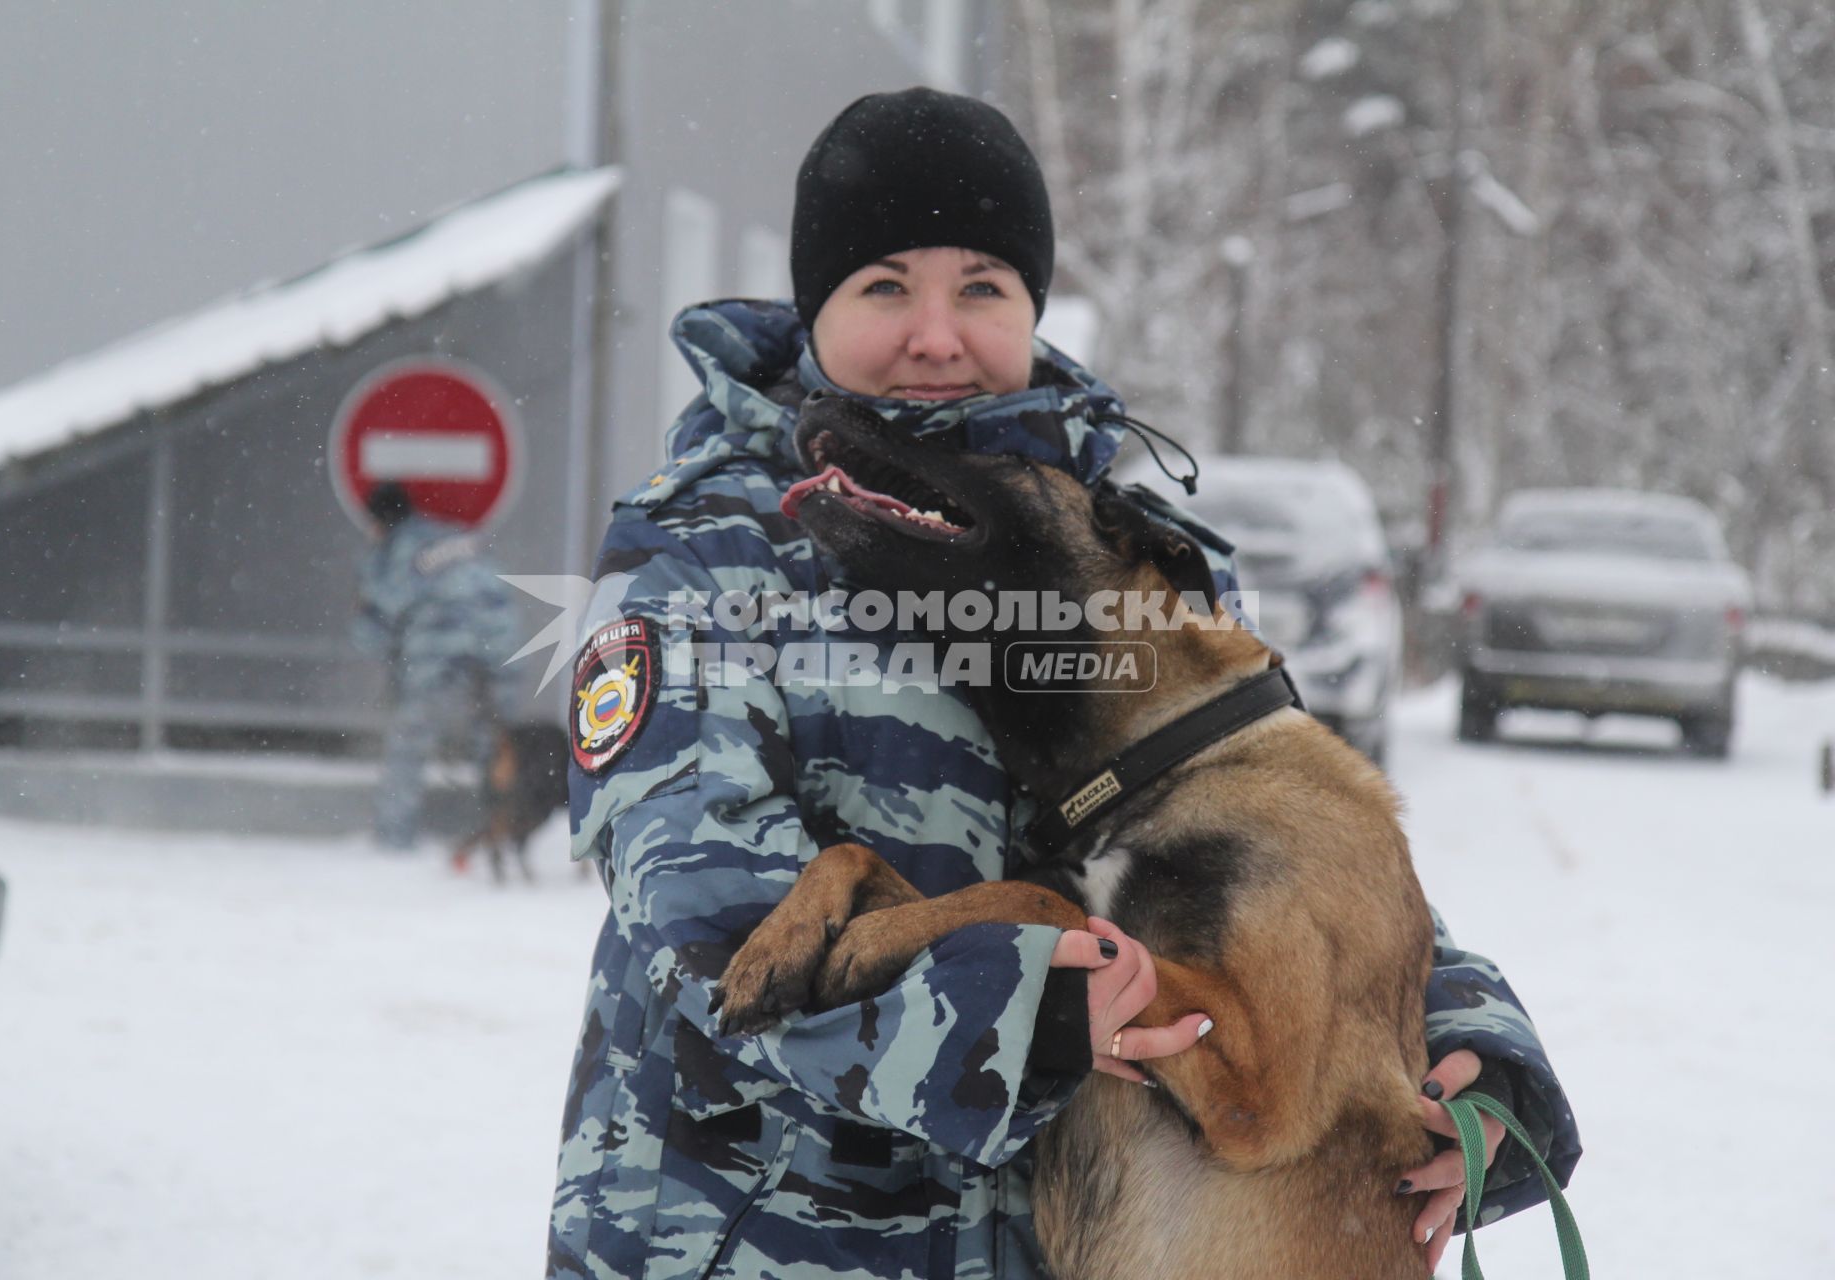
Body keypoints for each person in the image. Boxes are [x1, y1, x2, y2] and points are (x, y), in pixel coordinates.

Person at [548, 88, 1578, 1280]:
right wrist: (1024, 1011)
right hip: (761, 1246)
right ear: (815, 308)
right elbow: (713, 921)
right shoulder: (700, 558)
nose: (937, 334)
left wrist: (1473, 1050)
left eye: (982, 286)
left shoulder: (1128, 553)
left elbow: (1291, 871)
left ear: (1032, 308)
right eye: (885, 285)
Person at [351, 481, 521, 850]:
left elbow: (377, 620)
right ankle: (499, 834)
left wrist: (385, 657)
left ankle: (393, 840)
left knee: (409, 745)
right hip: (502, 650)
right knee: (493, 748)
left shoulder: (393, 550)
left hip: (439, 656)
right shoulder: (459, 538)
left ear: (379, 522)